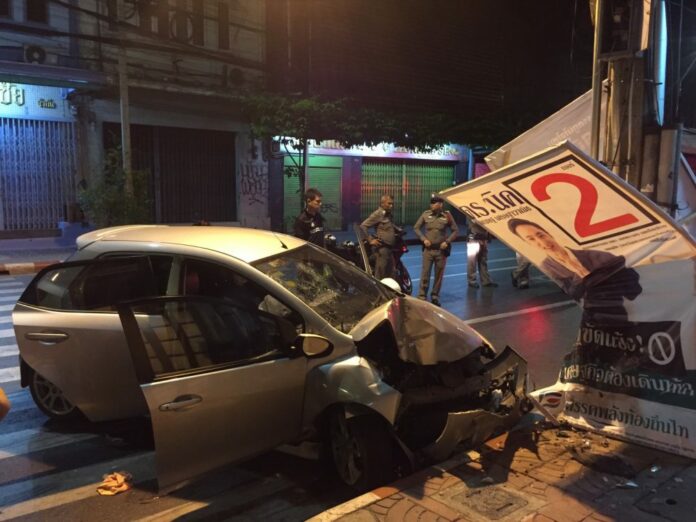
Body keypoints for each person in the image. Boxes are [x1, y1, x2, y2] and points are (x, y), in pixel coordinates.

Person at [507, 218, 642, 323]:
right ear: (527, 244)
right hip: (597, 318)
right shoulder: (548, 267)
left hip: (629, 313)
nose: (542, 242)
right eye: (531, 239)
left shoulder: (596, 255)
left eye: (541, 235)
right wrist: (579, 273)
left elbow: (634, 286)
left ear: (549, 233)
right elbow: (573, 293)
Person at [413, 195, 458, 306]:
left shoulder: (447, 216)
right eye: (431, 203)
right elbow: (416, 227)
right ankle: (422, 295)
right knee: (425, 273)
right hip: (428, 250)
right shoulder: (426, 214)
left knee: (439, 275)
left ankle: (435, 296)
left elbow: (455, 230)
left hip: (441, 251)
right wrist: (423, 239)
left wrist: (447, 242)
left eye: (435, 203)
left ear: (440, 204)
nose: (432, 205)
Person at [360, 194, 397, 280]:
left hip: (389, 249)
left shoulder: (388, 214)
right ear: (382, 203)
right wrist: (370, 240)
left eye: (392, 204)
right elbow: (363, 226)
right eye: (389, 203)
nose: (391, 206)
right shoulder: (378, 214)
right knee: (381, 274)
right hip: (382, 249)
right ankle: (378, 293)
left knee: (391, 274)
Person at [466, 219, 497, 288]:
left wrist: (488, 237)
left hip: (483, 238)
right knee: (472, 261)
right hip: (474, 238)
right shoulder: (471, 211)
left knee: (483, 260)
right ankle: (472, 281)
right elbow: (475, 222)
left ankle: (486, 281)